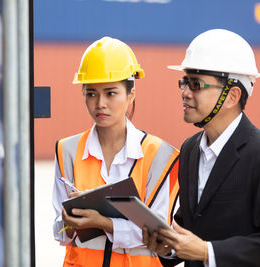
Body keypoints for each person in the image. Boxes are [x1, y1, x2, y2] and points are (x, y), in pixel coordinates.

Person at [142, 29, 260, 267]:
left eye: (195, 84)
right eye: (184, 82)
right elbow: (189, 227)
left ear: (232, 96)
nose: (184, 92)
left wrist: (208, 252)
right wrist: (168, 249)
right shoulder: (189, 151)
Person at [52, 36, 180, 267]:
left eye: (111, 93)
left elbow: (163, 237)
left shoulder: (160, 155)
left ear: (131, 94)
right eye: (91, 93)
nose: (100, 103)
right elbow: (59, 233)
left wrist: (104, 223)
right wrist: (68, 223)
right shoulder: (67, 150)